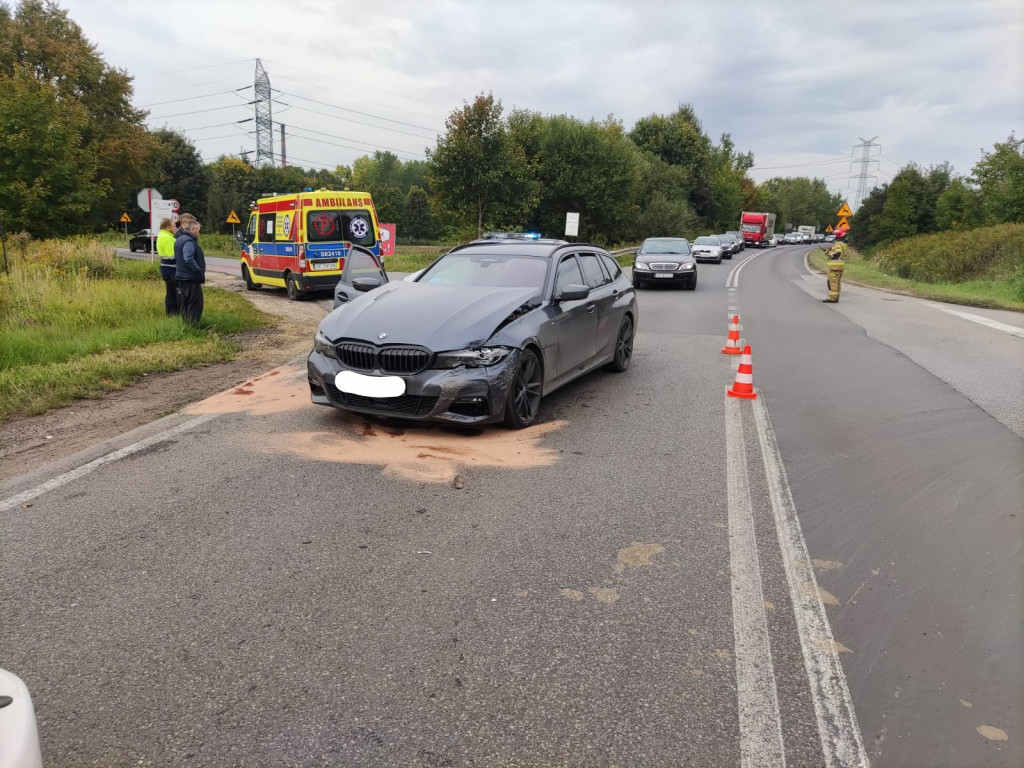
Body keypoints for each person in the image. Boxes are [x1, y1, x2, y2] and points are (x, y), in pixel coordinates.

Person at [174, 217, 206, 325]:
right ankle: (193, 325)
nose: (199, 232)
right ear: (193, 229)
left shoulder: (180, 239)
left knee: (185, 302)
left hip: (182, 276)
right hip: (190, 277)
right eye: (198, 230)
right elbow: (188, 258)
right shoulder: (189, 241)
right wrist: (197, 269)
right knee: (195, 303)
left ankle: (186, 324)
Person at [155, 218, 179, 315]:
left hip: (166, 267)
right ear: (168, 227)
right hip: (171, 268)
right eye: (174, 226)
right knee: (174, 292)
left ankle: (170, 313)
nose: (176, 228)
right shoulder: (168, 238)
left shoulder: (163, 235)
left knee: (170, 291)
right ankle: (173, 313)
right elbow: (173, 256)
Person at [823, 230, 849, 303]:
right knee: (836, 282)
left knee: (833, 282)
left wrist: (829, 253)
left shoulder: (838, 244)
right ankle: (836, 297)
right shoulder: (843, 244)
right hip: (839, 266)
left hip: (835, 267)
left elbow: (836, 255)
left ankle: (832, 298)